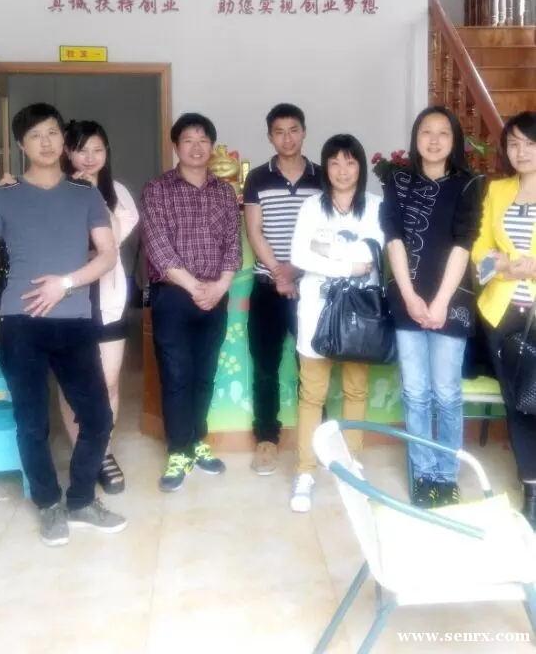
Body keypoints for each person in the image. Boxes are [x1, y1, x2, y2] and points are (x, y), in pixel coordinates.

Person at [0, 103, 127, 546]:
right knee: (32, 422)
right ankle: (49, 504)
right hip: (20, 323)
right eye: (35, 135)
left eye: (52, 132)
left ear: (62, 139)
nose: (46, 142)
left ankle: (82, 500)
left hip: (74, 321)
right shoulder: (4, 196)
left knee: (98, 417)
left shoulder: (85, 195)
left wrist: (65, 283)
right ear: (21, 145)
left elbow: (107, 254)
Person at [381, 106, 483, 508]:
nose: (435, 140)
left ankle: (446, 475)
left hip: (451, 303)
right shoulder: (398, 179)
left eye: (444, 133)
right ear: (416, 137)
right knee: (416, 393)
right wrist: (409, 297)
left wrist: (439, 302)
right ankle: (423, 473)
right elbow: (393, 238)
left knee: (446, 394)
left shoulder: (468, 184)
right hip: (407, 297)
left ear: (454, 140)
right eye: (427, 131)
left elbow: (464, 243)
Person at [140, 112, 241, 492]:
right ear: (176, 145)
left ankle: (198, 440)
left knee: (204, 374)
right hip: (173, 296)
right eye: (188, 140)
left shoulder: (224, 192)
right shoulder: (157, 189)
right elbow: (157, 245)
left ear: (212, 146)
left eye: (203, 140)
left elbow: (233, 244)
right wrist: (195, 286)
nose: (196, 148)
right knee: (176, 375)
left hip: (216, 295)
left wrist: (220, 285)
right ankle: (178, 450)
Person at [290, 134, 383, 513]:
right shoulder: (312, 207)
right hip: (317, 310)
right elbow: (299, 255)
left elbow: (374, 256)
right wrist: (348, 263)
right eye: (334, 163)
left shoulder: (375, 207)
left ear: (360, 166)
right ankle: (305, 471)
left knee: (356, 391)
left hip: (360, 312)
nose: (343, 171)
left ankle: (352, 463)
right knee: (312, 395)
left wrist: (326, 251)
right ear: (325, 168)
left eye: (350, 162)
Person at [59, 120, 139, 495]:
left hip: (107, 298)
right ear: (67, 152)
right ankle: (84, 453)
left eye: (98, 150)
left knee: (108, 382)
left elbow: (111, 242)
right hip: (65, 299)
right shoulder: (54, 190)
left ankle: (103, 452)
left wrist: (92, 195)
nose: (90, 158)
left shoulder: (116, 192)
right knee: (72, 384)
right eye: (81, 150)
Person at [244, 103, 322, 475]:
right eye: (279, 131)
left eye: (293, 130)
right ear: (270, 137)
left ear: (304, 131)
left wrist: (295, 271)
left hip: (312, 288)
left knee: (313, 365)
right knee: (265, 366)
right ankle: (266, 439)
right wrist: (279, 272)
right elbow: (254, 231)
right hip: (267, 287)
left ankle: (318, 438)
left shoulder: (322, 177)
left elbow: (325, 233)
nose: (287, 138)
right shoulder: (258, 178)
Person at [472, 111, 536, 528]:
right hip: (503, 314)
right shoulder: (497, 191)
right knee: (520, 403)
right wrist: (501, 266)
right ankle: (531, 489)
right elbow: (479, 251)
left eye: (530, 143)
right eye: (513, 144)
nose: (521, 151)